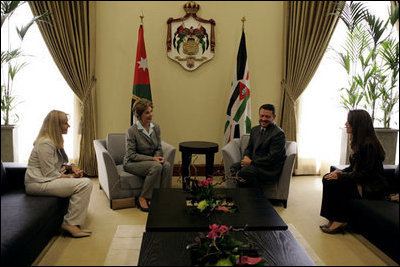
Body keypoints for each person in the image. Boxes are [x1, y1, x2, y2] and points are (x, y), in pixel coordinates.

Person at [25, 110, 93, 238]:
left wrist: (71, 168)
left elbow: (56, 163)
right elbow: (49, 173)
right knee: (85, 184)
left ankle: (72, 222)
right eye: (65, 123)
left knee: (83, 182)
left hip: (45, 180)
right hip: (38, 183)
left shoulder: (53, 141)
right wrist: (71, 177)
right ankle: (70, 223)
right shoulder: (45, 143)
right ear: (55, 125)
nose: (69, 126)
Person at [320, 109, 389, 234]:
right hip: (362, 181)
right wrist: (339, 172)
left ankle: (341, 220)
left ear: (357, 124)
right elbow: (353, 168)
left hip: (371, 187)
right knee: (327, 178)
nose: (346, 123)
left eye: (349, 121)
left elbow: (364, 175)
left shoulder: (369, 145)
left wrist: (341, 177)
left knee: (336, 182)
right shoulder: (360, 142)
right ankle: (332, 217)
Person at [123, 98, 171, 212]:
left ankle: (160, 196)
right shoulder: (132, 131)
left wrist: (158, 157)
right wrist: (153, 159)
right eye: (147, 112)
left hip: (151, 161)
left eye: (151, 111)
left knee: (167, 165)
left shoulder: (156, 128)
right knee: (156, 166)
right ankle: (143, 197)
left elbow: (158, 147)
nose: (151, 115)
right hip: (132, 162)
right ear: (139, 115)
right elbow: (131, 155)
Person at [230, 104, 286, 190]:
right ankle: (242, 196)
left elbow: (272, 158)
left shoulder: (278, 134)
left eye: (267, 117)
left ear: (273, 117)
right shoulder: (255, 130)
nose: (263, 119)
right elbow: (249, 148)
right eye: (262, 116)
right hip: (255, 164)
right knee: (234, 167)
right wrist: (246, 157)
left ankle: (253, 199)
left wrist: (251, 162)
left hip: (268, 169)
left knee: (245, 172)